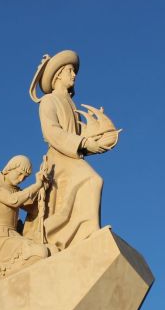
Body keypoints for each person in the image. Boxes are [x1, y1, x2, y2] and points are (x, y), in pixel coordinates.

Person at [24, 50, 111, 250]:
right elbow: (52, 132)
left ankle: (76, 234)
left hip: (71, 155)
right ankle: (85, 232)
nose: (74, 75)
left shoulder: (70, 104)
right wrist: (83, 143)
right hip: (59, 158)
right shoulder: (49, 101)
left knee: (86, 186)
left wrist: (96, 134)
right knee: (92, 180)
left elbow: (79, 136)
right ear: (58, 75)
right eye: (70, 71)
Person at [0, 155, 51, 277]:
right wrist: (36, 185)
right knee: (39, 252)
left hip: (14, 237)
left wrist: (44, 187)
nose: (21, 179)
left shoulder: (15, 190)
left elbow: (32, 209)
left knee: (50, 250)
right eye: (20, 173)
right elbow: (13, 200)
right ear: (10, 168)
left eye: (25, 177)